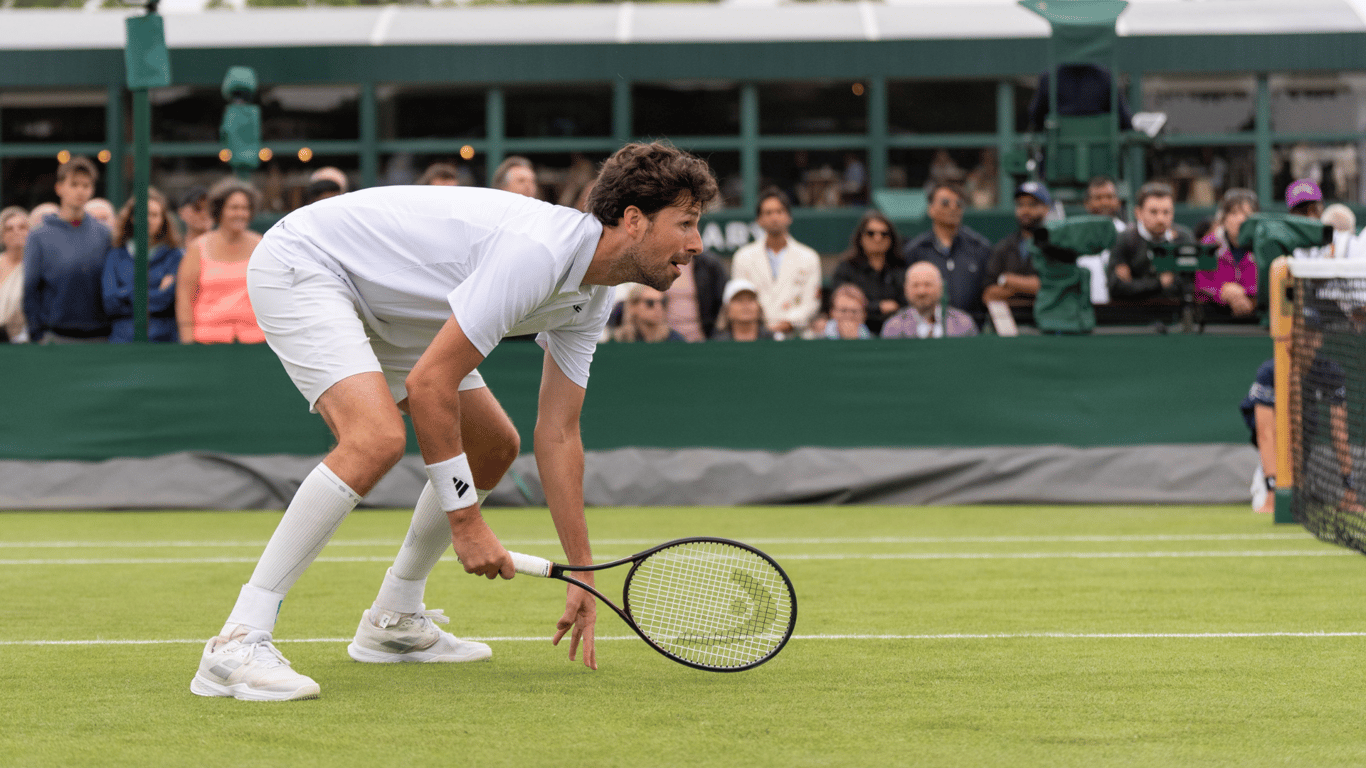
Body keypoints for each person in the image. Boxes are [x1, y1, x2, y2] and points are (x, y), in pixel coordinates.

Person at [190, 141, 717, 701]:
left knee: (494, 445)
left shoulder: (594, 294)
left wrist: (583, 571)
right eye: (685, 223)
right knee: (375, 439)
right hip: (308, 262)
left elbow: (558, 433)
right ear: (633, 221)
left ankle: (393, 621)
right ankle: (237, 641)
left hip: (390, 303)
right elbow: (428, 386)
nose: (697, 243)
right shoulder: (537, 254)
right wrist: (466, 524)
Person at [23, 156, 112, 344]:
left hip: (100, 336)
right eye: (74, 184)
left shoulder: (104, 234)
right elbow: (31, 290)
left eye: (86, 185)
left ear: (92, 190)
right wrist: (37, 335)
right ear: (59, 188)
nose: (80, 190)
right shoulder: (39, 236)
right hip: (55, 337)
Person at [175, 178, 265, 344]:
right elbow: (184, 298)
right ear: (219, 210)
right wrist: (187, 343)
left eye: (245, 208)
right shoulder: (198, 248)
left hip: (256, 342)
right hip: (207, 343)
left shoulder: (262, 245)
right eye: (234, 208)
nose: (240, 213)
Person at [730, 188, 821, 338]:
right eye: (768, 212)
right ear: (759, 219)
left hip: (797, 337)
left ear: (789, 217)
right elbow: (740, 301)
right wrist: (765, 329)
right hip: (756, 336)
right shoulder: (742, 257)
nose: (775, 217)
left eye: (780, 211)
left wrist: (788, 323)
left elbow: (811, 303)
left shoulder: (809, 257)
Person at [902, 182, 992, 324]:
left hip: (971, 333)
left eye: (958, 204)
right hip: (926, 332)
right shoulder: (916, 250)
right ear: (930, 209)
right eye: (945, 203)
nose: (953, 207)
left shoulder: (980, 247)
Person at [102, 188, 184, 343]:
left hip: (164, 341)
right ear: (132, 217)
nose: (148, 219)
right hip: (124, 341)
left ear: (163, 219)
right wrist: (154, 291)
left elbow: (169, 301)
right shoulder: (116, 255)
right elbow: (110, 304)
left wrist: (125, 293)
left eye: (154, 215)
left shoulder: (175, 256)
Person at [1109, 181, 1192, 302]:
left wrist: (1137, 283)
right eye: (1153, 212)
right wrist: (1159, 283)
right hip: (1134, 315)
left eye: (1166, 212)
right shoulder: (1123, 240)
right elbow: (1117, 288)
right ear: (1138, 213)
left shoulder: (1183, 238)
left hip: (1174, 313)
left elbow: (1188, 285)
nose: (1160, 219)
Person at [830, 210, 906, 336]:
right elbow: (840, 303)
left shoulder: (900, 268)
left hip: (897, 333)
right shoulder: (847, 268)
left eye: (884, 234)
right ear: (861, 237)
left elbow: (905, 304)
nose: (877, 238)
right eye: (871, 233)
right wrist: (877, 307)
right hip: (855, 331)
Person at [983, 181, 1051, 306]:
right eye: (1020, 205)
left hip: (1049, 319)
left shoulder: (1056, 245)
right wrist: (1029, 288)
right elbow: (989, 294)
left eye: (1032, 205)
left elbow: (1051, 288)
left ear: (1046, 208)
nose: (1025, 210)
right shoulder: (1003, 247)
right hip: (1007, 321)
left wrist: (1009, 281)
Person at [1195, 188, 1259, 318]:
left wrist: (1247, 295)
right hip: (1215, 318)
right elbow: (1199, 284)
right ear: (1223, 218)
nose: (1240, 220)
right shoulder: (1208, 244)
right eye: (1234, 213)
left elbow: (1273, 285)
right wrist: (1222, 292)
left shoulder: (1264, 246)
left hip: (1257, 316)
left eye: (1247, 215)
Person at [881, 261, 978, 339]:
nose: (921, 292)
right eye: (915, 285)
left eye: (927, 285)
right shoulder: (893, 327)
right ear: (905, 289)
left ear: (941, 288)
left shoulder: (963, 324)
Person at [1075, 176, 1127, 306]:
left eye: (1109, 197)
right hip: (1085, 308)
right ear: (1087, 204)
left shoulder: (1129, 235)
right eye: (1098, 198)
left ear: (1118, 202)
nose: (1104, 202)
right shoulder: (1075, 237)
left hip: (1123, 309)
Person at [663, 247, 727, 342]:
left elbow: (719, 300)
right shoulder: (654, 262)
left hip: (701, 338)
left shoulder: (709, 264)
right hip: (665, 339)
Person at [1240, 359, 1277, 514]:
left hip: (1303, 456)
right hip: (1275, 452)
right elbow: (1265, 434)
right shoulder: (1269, 372)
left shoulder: (1325, 370)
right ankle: (1266, 475)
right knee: (1263, 505)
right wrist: (1272, 487)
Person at [612, 283, 686, 342]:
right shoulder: (619, 340)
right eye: (650, 303)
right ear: (632, 306)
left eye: (663, 302)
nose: (658, 308)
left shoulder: (675, 340)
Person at [0, 206, 28, 343]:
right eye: (9, 228)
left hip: (23, 340)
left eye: (22, 227)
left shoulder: (36, 266)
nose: (16, 232)